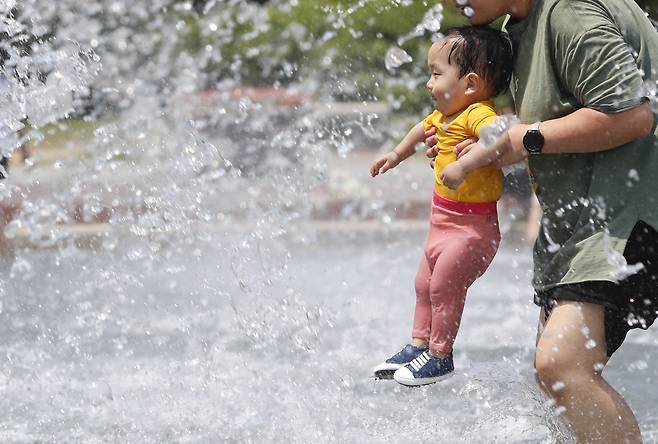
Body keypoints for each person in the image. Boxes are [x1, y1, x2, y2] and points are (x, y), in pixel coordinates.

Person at [425, 1, 658, 442]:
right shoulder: (522, 26)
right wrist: (478, 142)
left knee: (563, 366)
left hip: (633, 214)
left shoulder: (569, 12)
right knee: (560, 381)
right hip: (589, 222)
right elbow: (554, 121)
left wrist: (524, 138)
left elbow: (632, 115)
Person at [369, 26, 514, 387]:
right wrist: (397, 154)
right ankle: (417, 345)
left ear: (469, 84)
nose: (428, 84)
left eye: (436, 75)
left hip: (472, 230)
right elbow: (421, 129)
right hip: (441, 225)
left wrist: (465, 164)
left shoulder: (477, 113)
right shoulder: (445, 116)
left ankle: (440, 355)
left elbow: (501, 135)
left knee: (443, 287)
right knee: (423, 284)